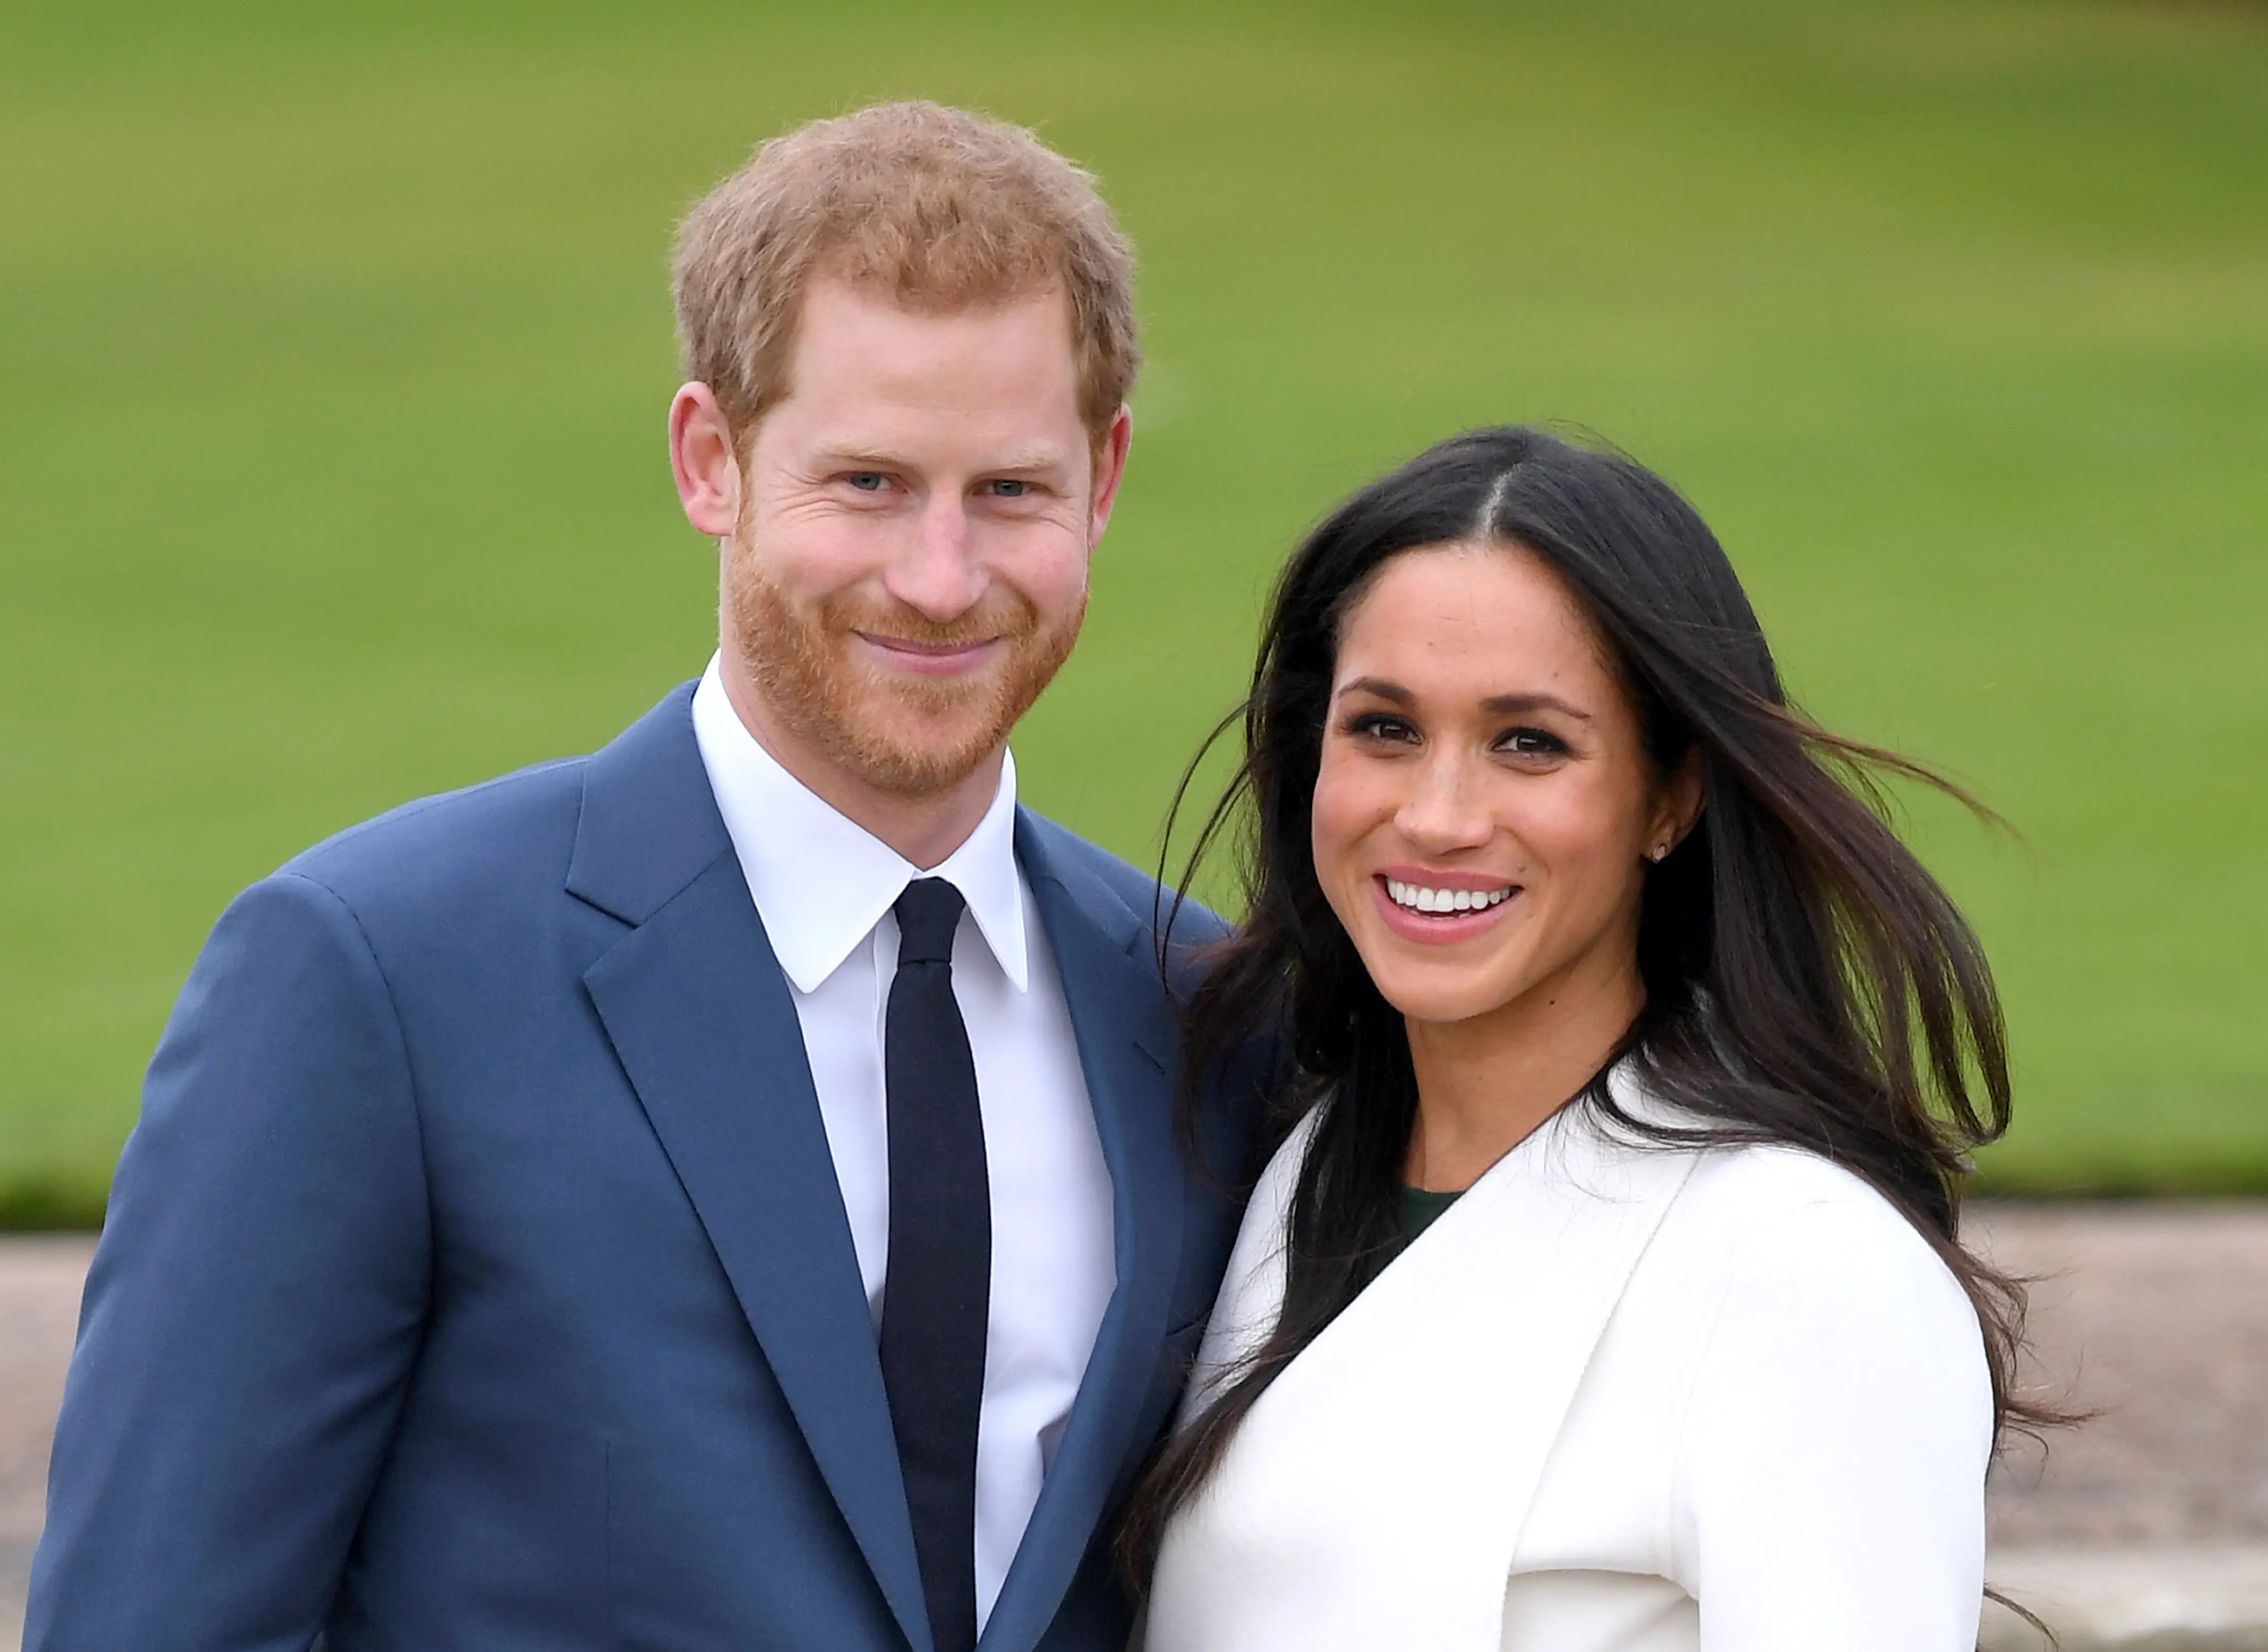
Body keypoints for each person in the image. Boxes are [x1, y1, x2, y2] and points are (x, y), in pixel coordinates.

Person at [30, 102, 1268, 1652]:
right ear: (711, 460)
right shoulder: (376, 977)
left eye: (1008, 491)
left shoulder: (1203, 1012)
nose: (941, 578)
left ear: (1104, 478)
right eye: (868, 483)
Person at [1129, 427, 2040, 1651]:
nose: (1437, 816)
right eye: (1385, 728)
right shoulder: (1280, 1154)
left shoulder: (1803, 1269)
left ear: (1670, 797)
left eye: (1530, 743)